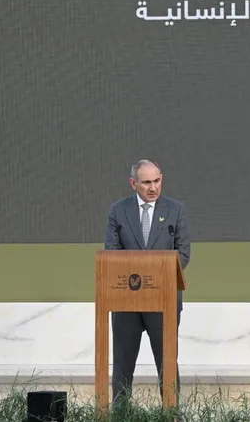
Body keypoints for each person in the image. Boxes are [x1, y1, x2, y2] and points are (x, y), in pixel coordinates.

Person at [104, 159, 191, 405]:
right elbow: (112, 252)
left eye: (157, 181)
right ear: (133, 183)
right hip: (126, 300)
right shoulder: (118, 210)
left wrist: (154, 278)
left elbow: (183, 253)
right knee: (122, 365)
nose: (153, 187)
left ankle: (171, 414)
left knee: (167, 363)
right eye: (146, 182)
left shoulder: (175, 210)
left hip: (163, 299)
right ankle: (121, 415)